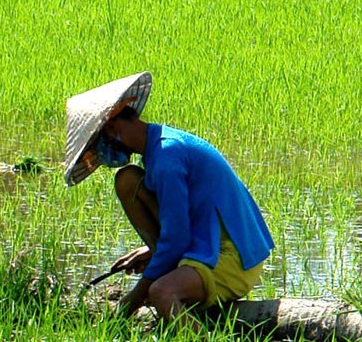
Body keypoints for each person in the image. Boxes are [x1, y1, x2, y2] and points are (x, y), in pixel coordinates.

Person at [61, 72, 274, 323]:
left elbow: (178, 238)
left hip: (233, 258)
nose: (101, 155)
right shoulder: (156, 150)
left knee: (162, 292)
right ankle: (169, 269)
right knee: (127, 180)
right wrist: (154, 252)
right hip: (207, 243)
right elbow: (181, 222)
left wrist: (131, 301)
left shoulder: (167, 157)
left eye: (98, 146)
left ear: (111, 129)